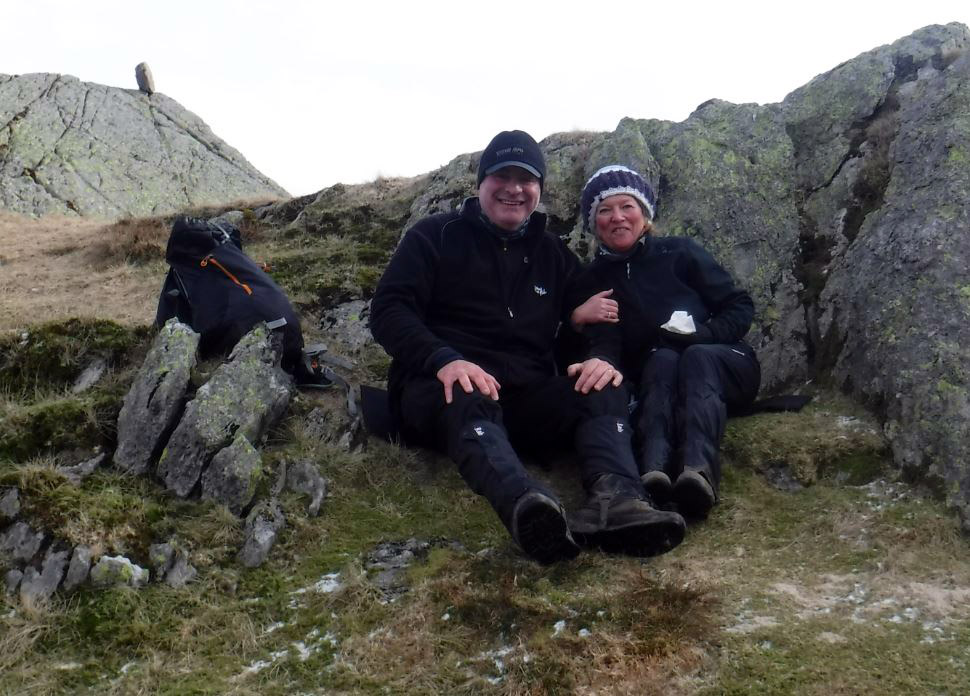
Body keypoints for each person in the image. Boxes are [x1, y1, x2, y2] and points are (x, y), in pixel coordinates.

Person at [369, 132, 686, 564]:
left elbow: (600, 315)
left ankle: (619, 501)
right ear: (481, 183)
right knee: (466, 391)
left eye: (527, 178)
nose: (514, 188)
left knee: (601, 384)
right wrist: (443, 359)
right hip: (442, 389)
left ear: (539, 190)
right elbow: (389, 310)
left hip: (525, 397)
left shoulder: (552, 253)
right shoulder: (434, 236)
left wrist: (602, 358)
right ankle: (527, 507)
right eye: (503, 175)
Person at [571, 165, 761, 519]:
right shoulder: (595, 279)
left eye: (627, 206)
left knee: (695, 358)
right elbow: (607, 341)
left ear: (644, 213)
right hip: (661, 375)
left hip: (725, 361)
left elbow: (739, 306)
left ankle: (698, 473)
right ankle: (655, 471)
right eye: (604, 211)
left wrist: (701, 335)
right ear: (593, 223)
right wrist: (590, 342)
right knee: (662, 359)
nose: (617, 218)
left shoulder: (680, 253)